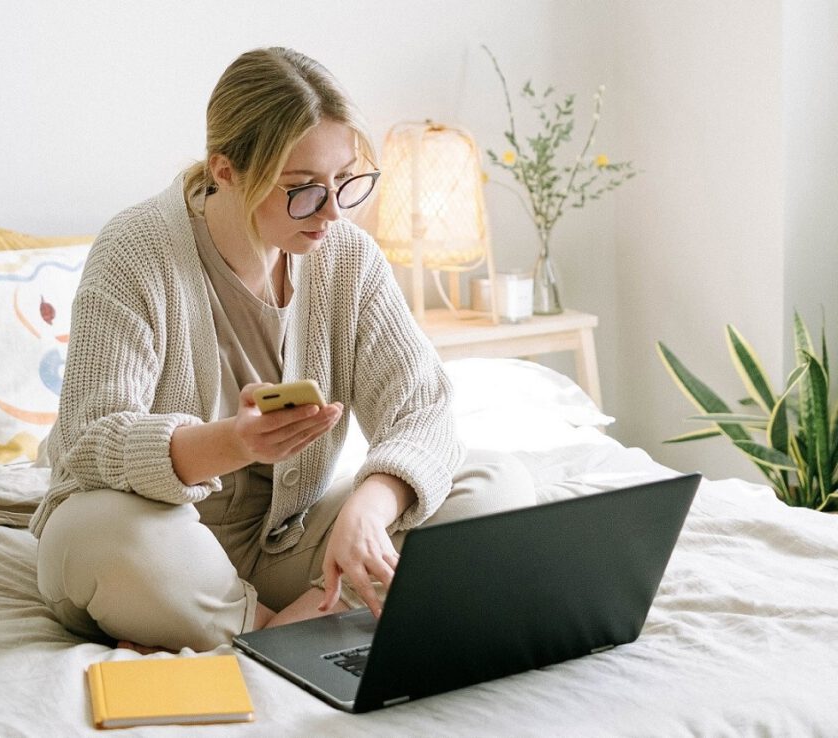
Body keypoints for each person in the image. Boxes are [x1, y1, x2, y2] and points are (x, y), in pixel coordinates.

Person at [31, 47, 534, 653]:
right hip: (161, 544)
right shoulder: (134, 251)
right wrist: (233, 443)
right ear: (226, 171)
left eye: (345, 181)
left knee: (494, 481)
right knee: (96, 535)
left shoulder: (346, 256)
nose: (331, 213)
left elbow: (421, 410)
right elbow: (90, 439)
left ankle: (282, 629)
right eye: (301, 190)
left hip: (287, 547)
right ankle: (306, 626)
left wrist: (370, 508)